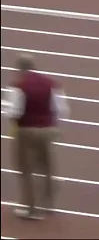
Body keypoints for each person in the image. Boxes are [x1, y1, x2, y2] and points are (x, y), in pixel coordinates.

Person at [2, 53, 70, 220]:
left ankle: (31, 209)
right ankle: (49, 204)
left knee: (26, 170)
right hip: (48, 130)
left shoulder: (18, 86)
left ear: (19, 69)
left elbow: (14, 111)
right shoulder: (51, 84)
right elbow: (62, 110)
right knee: (47, 167)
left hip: (26, 131)